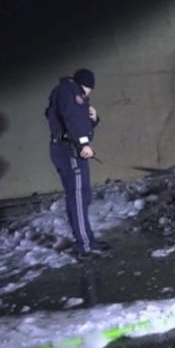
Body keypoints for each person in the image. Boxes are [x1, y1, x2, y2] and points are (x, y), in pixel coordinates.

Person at [45, 68, 109, 259]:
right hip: (70, 151)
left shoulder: (66, 91)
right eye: (89, 91)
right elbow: (73, 118)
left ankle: (87, 240)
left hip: (67, 149)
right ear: (87, 86)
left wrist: (94, 119)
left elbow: (72, 119)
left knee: (82, 196)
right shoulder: (71, 91)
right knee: (79, 197)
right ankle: (85, 246)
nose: (88, 95)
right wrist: (83, 144)